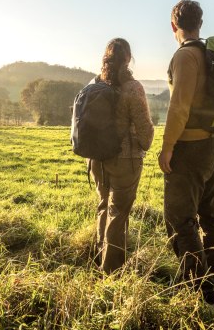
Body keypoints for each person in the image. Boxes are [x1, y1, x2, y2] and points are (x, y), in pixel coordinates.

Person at [158, 0, 214, 304]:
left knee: (178, 218)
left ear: (174, 26)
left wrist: (167, 147)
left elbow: (179, 107)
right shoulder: (211, 54)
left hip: (191, 148)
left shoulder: (185, 56)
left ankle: (201, 291)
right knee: (210, 216)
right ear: (200, 23)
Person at [90, 38, 154, 273]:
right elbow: (144, 127)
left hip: (97, 159)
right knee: (118, 214)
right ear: (128, 58)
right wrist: (145, 144)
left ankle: (100, 257)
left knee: (104, 206)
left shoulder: (95, 83)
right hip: (125, 159)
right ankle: (112, 273)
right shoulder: (132, 87)